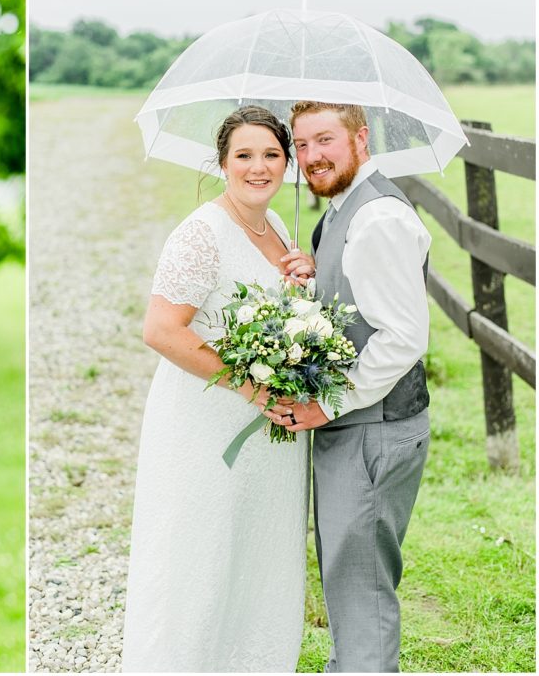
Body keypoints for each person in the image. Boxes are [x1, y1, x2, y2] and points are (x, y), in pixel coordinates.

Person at [121, 106, 315, 671]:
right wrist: (252, 389)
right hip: (207, 428)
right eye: (245, 156)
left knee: (257, 559)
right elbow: (160, 329)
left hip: (270, 442)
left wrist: (304, 276)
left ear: (288, 161)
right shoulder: (201, 234)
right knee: (199, 558)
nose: (260, 168)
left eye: (272, 155)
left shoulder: (278, 228)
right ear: (223, 162)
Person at [267, 101, 431, 672]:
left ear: (360, 138)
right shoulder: (342, 210)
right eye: (302, 144)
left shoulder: (377, 218)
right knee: (345, 573)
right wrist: (315, 279)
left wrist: (327, 401)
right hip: (362, 428)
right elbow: (363, 301)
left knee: (360, 587)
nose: (311, 156)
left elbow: (403, 337)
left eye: (325, 140)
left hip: (374, 433)